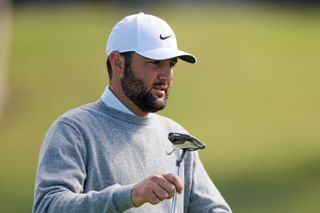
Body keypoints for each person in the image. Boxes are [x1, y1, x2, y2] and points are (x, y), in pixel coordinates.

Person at [33, 12, 232, 213]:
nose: (167, 75)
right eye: (155, 62)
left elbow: (214, 209)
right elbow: (48, 207)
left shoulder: (176, 136)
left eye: (171, 64)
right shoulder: (73, 129)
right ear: (118, 63)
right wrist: (130, 196)